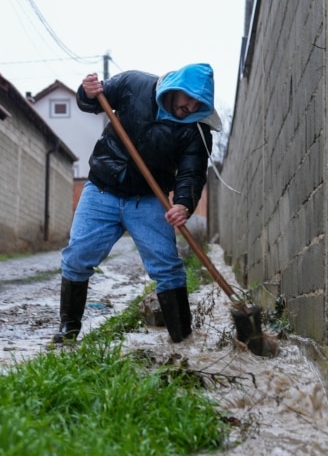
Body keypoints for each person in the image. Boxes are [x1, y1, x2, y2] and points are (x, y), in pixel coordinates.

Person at [54, 63, 220, 344]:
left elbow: (191, 173)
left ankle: (182, 340)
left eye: (199, 103)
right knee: (77, 257)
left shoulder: (197, 130)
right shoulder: (134, 84)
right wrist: (87, 91)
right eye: (188, 97)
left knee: (168, 268)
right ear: (175, 87)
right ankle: (68, 331)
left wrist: (184, 204)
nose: (191, 107)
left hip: (148, 200)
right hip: (102, 190)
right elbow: (91, 102)